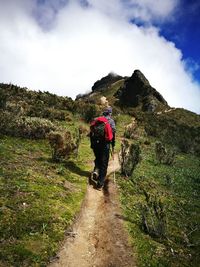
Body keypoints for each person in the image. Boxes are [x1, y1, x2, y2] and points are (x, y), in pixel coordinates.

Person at [90, 106, 116, 189]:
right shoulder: (111, 121)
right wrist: (113, 144)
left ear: (104, 112)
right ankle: (100, 184)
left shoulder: (97, 119)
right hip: (105, 144)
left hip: (95, 143)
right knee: (104, 163)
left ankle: (96, 170)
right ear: (110, 113)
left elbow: (91, 132)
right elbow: (113, 133)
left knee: (98, 158)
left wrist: (92, 144)